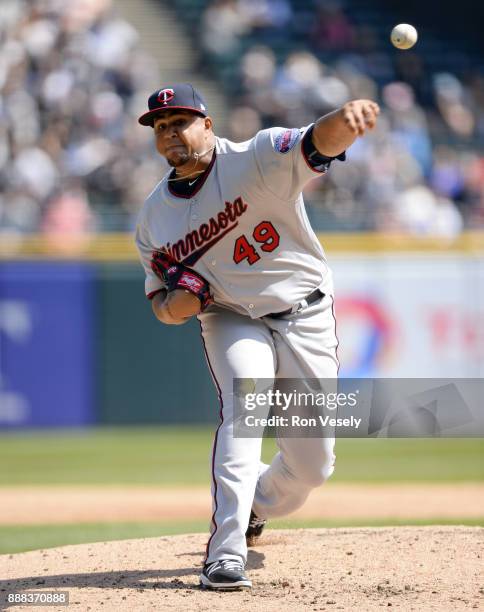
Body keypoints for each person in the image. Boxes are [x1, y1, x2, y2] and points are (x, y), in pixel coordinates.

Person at [135, 83, 379, 590]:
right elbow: (162, 307)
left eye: (180, 121)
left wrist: (345, 117)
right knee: (243, 412)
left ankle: (255, 508)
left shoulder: (260, 156)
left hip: (304, 311)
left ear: (208, 123)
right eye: (161, 127)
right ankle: (224, 554)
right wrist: (179, 305)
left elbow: (320, 142)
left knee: (313, 467)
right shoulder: (153, 219)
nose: (171, 133)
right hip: (230, 316)